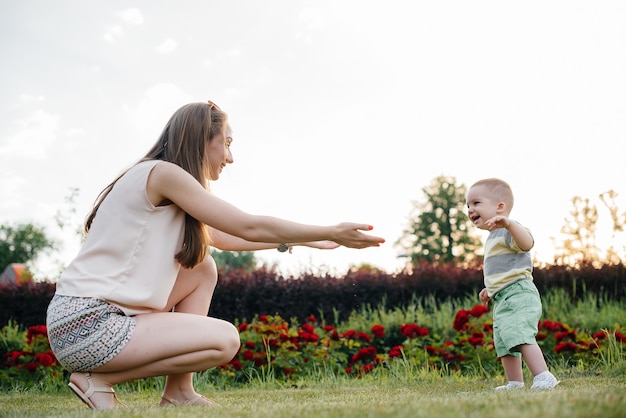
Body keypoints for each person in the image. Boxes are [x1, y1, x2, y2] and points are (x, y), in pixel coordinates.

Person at [46, 101, 385, 409]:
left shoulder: (161, 178)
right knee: (224, 340)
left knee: (201, 267)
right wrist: (328, 230)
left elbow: (222, 236)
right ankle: (100, 380)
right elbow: (247, 226)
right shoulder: (163, 174)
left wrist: (304, 242)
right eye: (227, 143)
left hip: (80, 319)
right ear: (199, 141)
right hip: (90, 323)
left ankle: (179, 392)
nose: (230, 156)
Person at [465, 178, 559, 391]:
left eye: (476, 203)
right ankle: (515, 383)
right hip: (502, 296)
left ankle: (544, 376)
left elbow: (527, 244)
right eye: (468, 205)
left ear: (500, 207)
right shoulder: (492, 237)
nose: (470, 210)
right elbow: (503, 269)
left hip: (518, 293)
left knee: (520, 333)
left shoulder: (509, 229)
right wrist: (490, 290)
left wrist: (509, 223)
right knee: (505, 341)